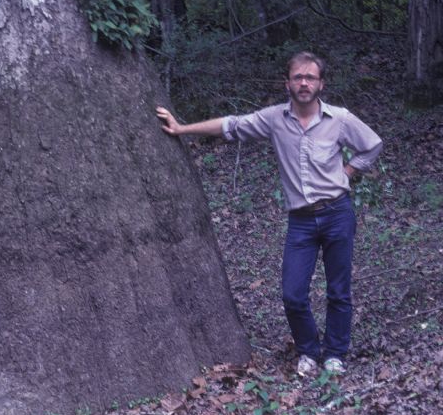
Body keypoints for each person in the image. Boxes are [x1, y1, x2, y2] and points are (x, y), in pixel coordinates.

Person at [155, 51, 382, 377]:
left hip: (337, 213)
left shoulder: (340, 119)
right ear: (287, 83)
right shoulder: (275, 119)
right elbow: (231, 125)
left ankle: (335, 353)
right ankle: (308, 350)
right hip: (301, 221)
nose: (304, 83)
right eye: (298, 77)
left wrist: (347, 172)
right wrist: (182, 129)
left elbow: (372, 145)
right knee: (293, 294)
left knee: (338, 290)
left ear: (321, 84)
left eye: (311, 77)